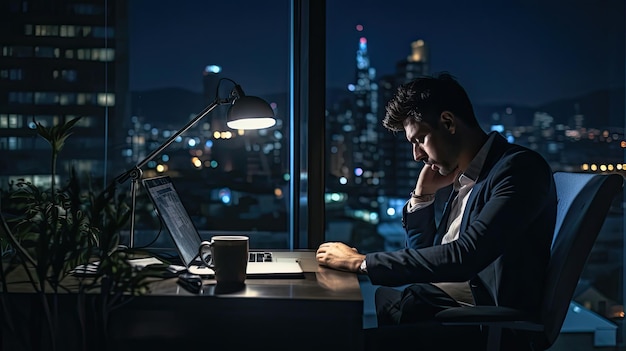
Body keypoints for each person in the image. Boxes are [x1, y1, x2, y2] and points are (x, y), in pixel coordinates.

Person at [316, 73, 557, 350]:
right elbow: (429, 262)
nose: (416, 155)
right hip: (444, 312)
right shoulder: (467, 177)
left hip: (482, 329)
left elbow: (464, 256)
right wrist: (422, 198)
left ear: (448, 122)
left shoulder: (518, 170)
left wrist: (361, 262)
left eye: (419, 140)